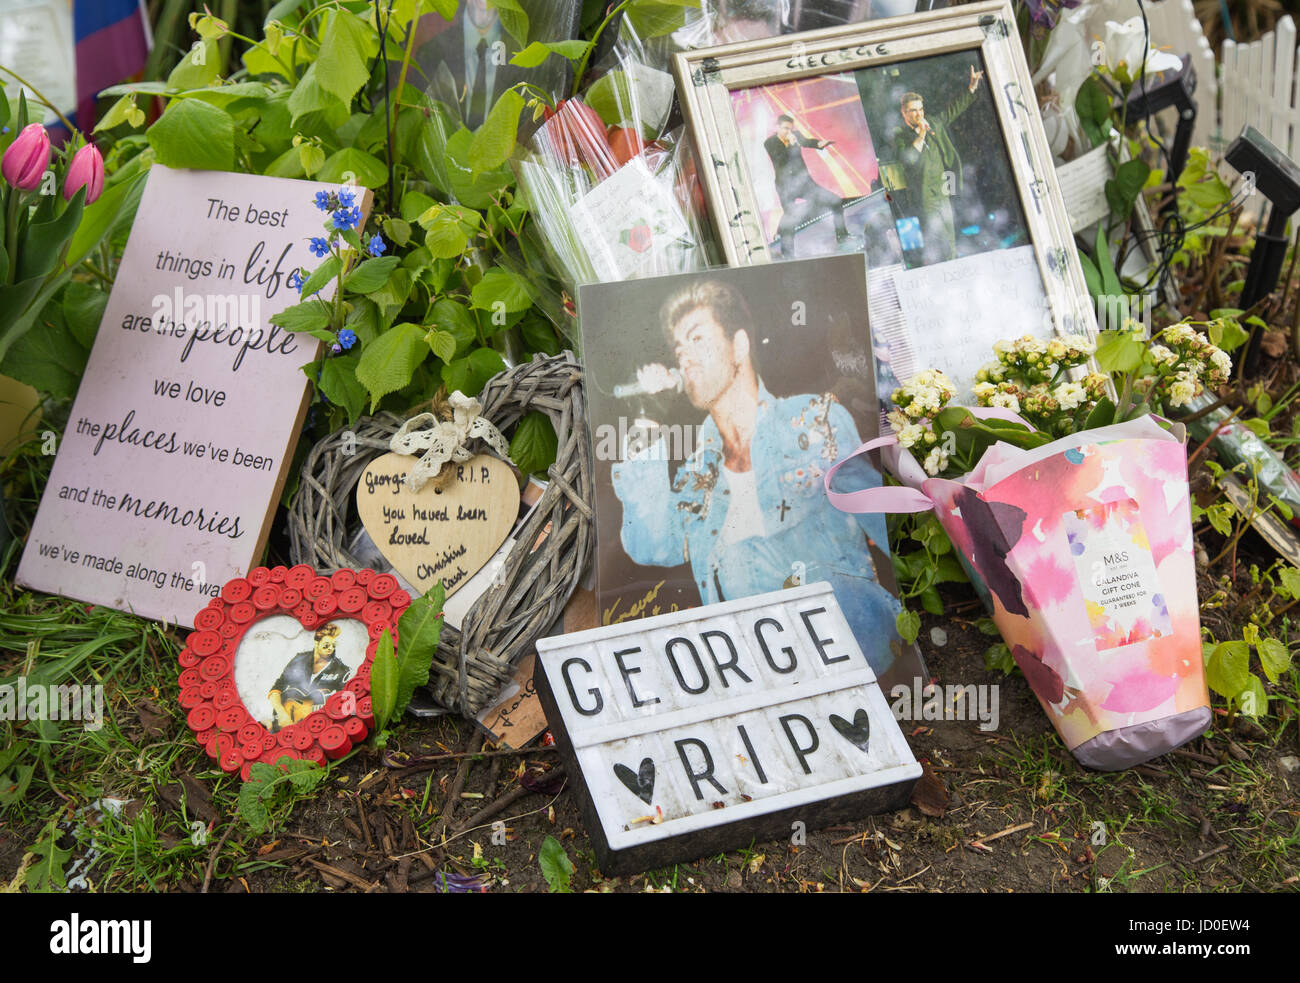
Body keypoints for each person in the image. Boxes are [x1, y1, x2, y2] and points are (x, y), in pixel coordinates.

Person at [609, 279, 902, 675]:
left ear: (739, 346)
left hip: (864, 661)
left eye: (697, 339)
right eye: (679, 349)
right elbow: (650, 545)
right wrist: (647, 416)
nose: (685, 359)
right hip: (767, 684)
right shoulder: (700, 474)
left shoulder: (814, 421)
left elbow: (886, 524)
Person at [891, 65, 985, 265]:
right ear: (904, 113)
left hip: (942, 190)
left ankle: (953, 266)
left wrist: (971, 88)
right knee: (934, 238)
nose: (918, 114)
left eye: (920, 109)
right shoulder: (900, 135)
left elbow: (953, 110)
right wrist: (922, 133)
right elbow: (909, 157)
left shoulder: (933, 122)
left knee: (950, 235)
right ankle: (937, 269)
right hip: (924, 195)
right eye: (913, 111)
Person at [763, 114, 856, 255]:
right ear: (778, 127)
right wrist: (791, 144)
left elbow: (807, 142)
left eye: (790, 129)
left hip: (804, 182)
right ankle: (788, 255)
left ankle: (842, 236)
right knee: (790, 218)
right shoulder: (770, 143)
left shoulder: (795, 135)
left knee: (835, 201)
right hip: (786, 187)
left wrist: (820, 144)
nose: (789, 132)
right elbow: (780, 159)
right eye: (785, 129)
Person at [267, 623, 351, 732]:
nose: (330, 649)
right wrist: (282, 713)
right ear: (317, 643)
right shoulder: (299, 659)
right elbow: (277, 688)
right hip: (283, 723)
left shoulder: (342, 670)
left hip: (317, 727)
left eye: (333, 645)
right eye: (326, 645)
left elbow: (347, 703)